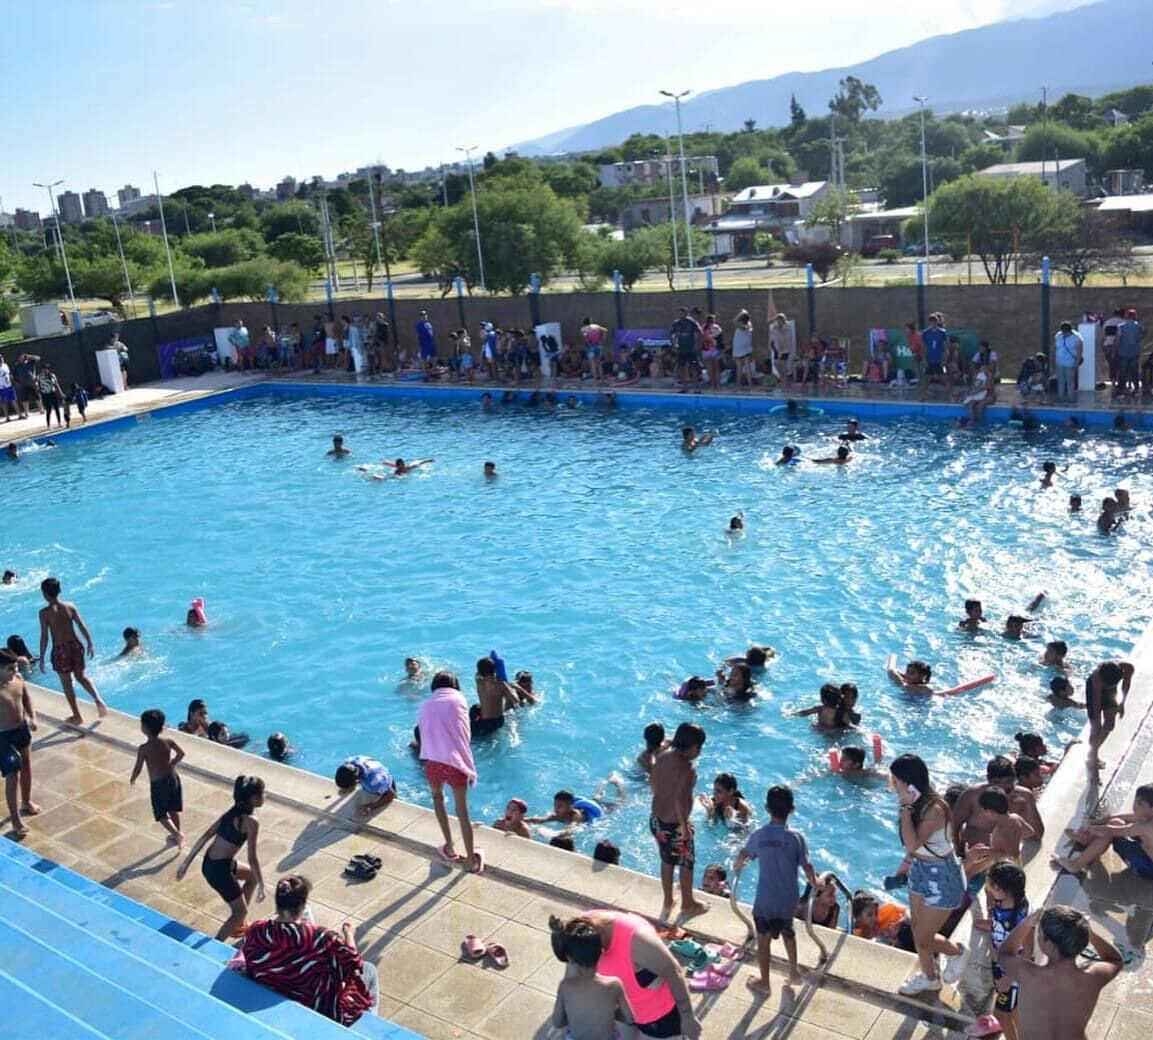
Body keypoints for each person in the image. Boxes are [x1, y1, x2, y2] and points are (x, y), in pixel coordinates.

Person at [240, 874, 378, 1025]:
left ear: (278, 904)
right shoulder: (322, 938)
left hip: (274, 989)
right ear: (303, 905)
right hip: (317, 1006)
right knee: (369, 969)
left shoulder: (256, 931)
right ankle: (370, 1025)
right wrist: (349, 935)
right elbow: (353, 964)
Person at [549, 911, 702, 1040]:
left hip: (661, 1017)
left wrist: (688, 1017)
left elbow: (674, 972)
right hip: (625, 1014)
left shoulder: (638, 941)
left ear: (601, 953)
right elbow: (572, 982)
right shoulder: (575, 934)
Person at [889, 753, 968, 996]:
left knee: (924, 937)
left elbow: (912, 843)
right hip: (921, 871)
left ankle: (957, 952)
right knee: (917, 930)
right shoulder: (915, 803)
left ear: (908, 782)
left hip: (942, 877)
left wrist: (904, 807)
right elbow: (912, 850)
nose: (892, 784)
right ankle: (929, 977)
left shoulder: (934, 809)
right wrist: (905, 865)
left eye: (895, 780)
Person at [733, 784, 817, 994]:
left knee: (763, 938)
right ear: (792, 809)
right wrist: (815, 883)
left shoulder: (759, 835)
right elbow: (807, 866)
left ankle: (764, 982)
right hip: (789, 898)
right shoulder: (797, 838)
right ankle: (794, 973)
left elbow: (744, 854)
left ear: (766, 808)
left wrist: (738, 866)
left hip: (766, 899)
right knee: (789, 933)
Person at [997, 906, 1122, 1040]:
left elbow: (1005, 953)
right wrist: (1089, 933)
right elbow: (1115, 960)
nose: (1037, 935)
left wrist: (1027, 923)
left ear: (1050, 946)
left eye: (1039, 933)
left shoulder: (1027, 974)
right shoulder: (1093, 977)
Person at [177, 775, 266, 941]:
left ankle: (238, 925)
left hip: (211, 863)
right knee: (240, 911)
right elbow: (252, 857)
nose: (265, 796)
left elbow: (205, 837)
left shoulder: (231, 813)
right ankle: (216, 944)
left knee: (251, 876)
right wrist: (262, 885)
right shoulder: (251, 822)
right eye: (263, 793)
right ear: (254, 799)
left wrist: (186, 863)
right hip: (219, 871)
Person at [417, 671, 482, 873]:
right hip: (455, 762)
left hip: (433, 763)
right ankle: (471, 860)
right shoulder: (459, 700)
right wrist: (467, 764)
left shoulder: (425, 705)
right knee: (462, 812)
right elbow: (464, 733)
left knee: (438, 799)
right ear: (454, 685)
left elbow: (425, 734)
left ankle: (450, 847)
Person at [650, 721, 708, 919]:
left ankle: (667, 902)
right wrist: (684, 827)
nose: (700, 750)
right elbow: (679, 801)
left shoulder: (662, 756)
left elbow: (654, 783)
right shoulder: (687, 770)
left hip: (656, 820)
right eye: (699, 746)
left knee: (666, 860)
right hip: (674, 825)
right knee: (686, 861)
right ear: (690, 747)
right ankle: (688, 903)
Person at [972, 859, 1030, 1040]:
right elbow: (999, 927)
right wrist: (991, 930)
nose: (989, 889)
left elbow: (1027, 953)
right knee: (1012, 1012)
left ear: (1006, 890)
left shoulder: (1021, 918)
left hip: (1012, 975)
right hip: (1001, 967)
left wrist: (1008, 978)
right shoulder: (1001, 904)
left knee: (1002, 1016)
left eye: (993, 887)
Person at [550, 917, 633, 1040]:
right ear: (600, 953)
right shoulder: (614, 985)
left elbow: (557, 1022)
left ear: (570, 959)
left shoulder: (566, 987)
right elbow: (630, 1018)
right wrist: (608, 1014)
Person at [37, 576, 107, 722]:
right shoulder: (70, 606)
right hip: (75, 646)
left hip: (60, 650)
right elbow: (81, 625)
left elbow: (45, 637)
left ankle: (77, 715)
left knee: (67, 683)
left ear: (44, 594)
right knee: (81, 677)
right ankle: (98, 699)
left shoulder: (44, 613)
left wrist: (42, 657)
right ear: (59, 591)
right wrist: (89, 642)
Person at [1051, 784, 1153, 878]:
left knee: (1113, 826)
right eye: (1135, 801)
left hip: (1148, 868)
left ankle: (1076, 864)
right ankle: (1089, 841)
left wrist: (1088, 828)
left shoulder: (1147, 826)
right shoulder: (1146, 816)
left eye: (1140, 804)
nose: (1134, 805)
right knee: (1116, 822)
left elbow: (1112, 831)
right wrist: (1095, 822)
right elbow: (1122, 817)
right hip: (1146, 853)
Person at [129, 708, 185, 847]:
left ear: (145, 729)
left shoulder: (144, 748)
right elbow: (181, 753)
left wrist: (133, 778)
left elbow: (138, 766)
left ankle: (177, 834)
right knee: (173, 808)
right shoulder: (168, 741)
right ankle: (177, 832)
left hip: (159, 784)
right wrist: (171, 764)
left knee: (161, 814)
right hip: (173, 778)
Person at [0, 647, 38, 837]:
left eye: (15, 668)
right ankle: (15, 820)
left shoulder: (18, 680)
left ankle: (26, 802)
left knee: (27, 765)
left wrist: (33, 717)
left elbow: (27, 698)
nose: (14, 672)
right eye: (10, 670)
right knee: (12, 774)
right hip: (2, 736)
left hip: (21, 729)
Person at [1085, 661, 1134, 765]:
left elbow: (1126, 684)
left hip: (1110, 690)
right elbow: (1096, 706)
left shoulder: (1127, 668)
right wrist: (1097, 723)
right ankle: (1093, 756)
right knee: (1095, 726)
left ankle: (1093, 751)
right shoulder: (1096, 680)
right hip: (1094, 691)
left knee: (1110, 724)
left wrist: (1122, 703)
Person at [670, 307, 701, 390]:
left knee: (693, 368)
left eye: (683, 313)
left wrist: (696, 345)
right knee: (681, 368)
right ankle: (684, 387)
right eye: (680, 313)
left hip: (691, 348)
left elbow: (697, 334)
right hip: (681, 349)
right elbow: (672, 335)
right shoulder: (676, 323)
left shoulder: (692, 323)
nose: (681, 315)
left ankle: (696, 387)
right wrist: (674, 344)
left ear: (687, 313)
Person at [1054, 321, 1084, 403]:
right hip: (1059, 361)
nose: (1064, 334)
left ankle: (1071, 398)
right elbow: (1057, 347)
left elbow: (1079, 352)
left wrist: (1077, 363)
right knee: (1061, 381)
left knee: (1070, 382)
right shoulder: (1058, 335)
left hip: (1070, 363)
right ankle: (1060, 398)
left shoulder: (1077, 338)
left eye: (1065, 332)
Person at [769, 313, 795, 387]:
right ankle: (782, 378)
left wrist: (781, 352)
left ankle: (785, 382)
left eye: (779, 321)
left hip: (785, 349)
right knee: (776, 363)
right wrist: (771, 346)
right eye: (777, 321)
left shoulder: (787, 327)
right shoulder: (775, 327)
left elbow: (785, 340)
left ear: (783, 320)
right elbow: (773, 337)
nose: (778, 322)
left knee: (783, 364)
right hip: (777, 348)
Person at [731, 310, 755, 389]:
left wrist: (741, 313)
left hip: (740, 350)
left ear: (741, 320)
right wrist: (745, 314)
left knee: (739, 368)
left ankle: (738, 385)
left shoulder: (742, 326)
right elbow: (746, 320)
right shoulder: (749, 326)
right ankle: (750, 384)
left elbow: (734, 320)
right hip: (746, 349)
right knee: (747, 368)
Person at [36, 363, 64, 429]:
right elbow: (38, 386)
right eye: (45, 369)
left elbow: (56, 384)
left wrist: (61, 392)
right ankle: (48, 425)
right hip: (45, 394)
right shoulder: (39, 377)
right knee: (49, 410)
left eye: (47, 369)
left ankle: (59, 423)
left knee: (57, 408)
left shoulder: (52, 375)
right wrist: (39, 393)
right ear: (42, 369)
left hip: (52, 393)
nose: (46, 370)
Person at [580, 317, 607, 383]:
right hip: (598, 346)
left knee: (592, 364)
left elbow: (586, 338)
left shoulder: (583, 329)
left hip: (590, 348)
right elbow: (605, 330)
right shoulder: (596, 326)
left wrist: (589, 344)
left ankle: (595, 381)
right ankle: (602, 379)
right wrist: (602, 340)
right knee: (599, 363)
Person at [0, 353, 16, 422]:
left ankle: (19, 414)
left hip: (9, 386)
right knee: (4, 402)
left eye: (1, 357)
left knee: (14, 400)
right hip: (1, 388)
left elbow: (9, 374)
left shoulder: (5, 365)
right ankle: (7, 417)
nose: (1, 359)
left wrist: (12, 381)